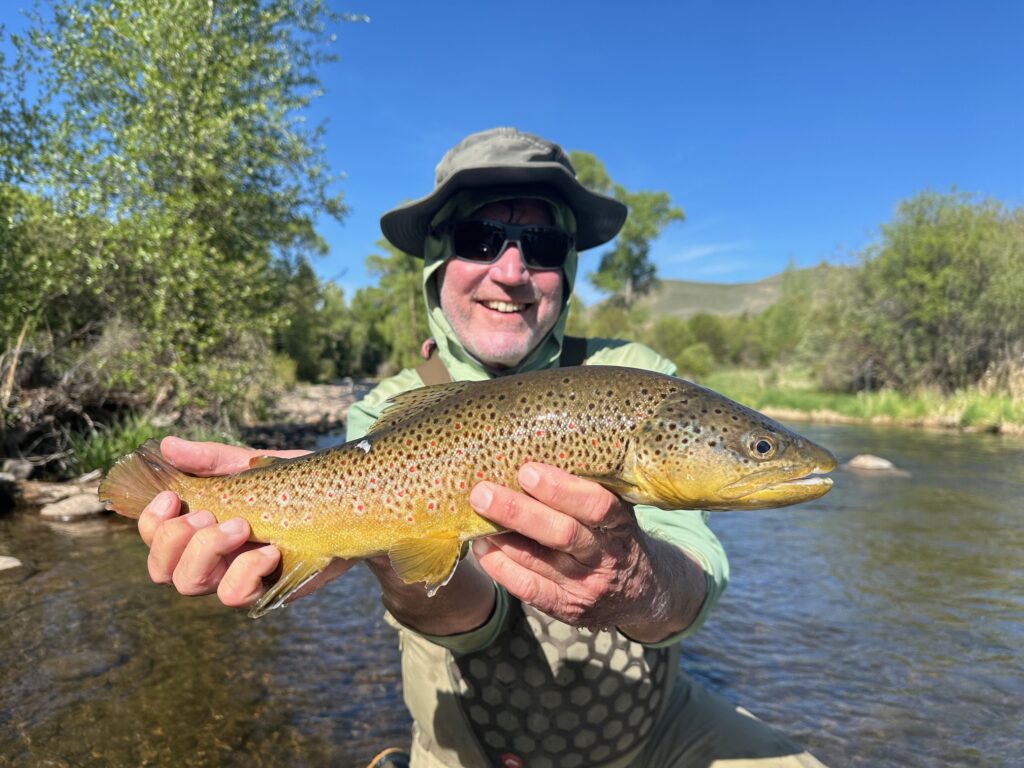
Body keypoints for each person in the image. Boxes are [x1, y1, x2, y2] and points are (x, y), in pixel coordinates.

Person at [137, 127, 826, 767]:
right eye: (481, 237)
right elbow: (466, 621)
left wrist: (639, 585)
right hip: (466, 744)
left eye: (543, 247)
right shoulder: (385, 412)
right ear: (439, 260)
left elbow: (691, 580)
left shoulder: (639, 375)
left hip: (658, 734)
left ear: (569, 269)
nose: (512, 270)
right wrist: (336, 522)